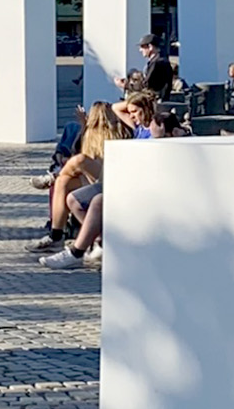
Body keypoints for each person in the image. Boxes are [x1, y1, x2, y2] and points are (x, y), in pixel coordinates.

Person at [26, 103, 129, 254]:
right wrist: (84, 127)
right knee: (63, 182)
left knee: (79, 160)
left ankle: (53, 176)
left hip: (110, 176)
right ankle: (56, 236)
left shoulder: (120, 130)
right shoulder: (89, 133)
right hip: (94, 177)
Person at [115, 34, 174, 99]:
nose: (140, 50)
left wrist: (125, 85)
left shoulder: (158, 63)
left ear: (150, 47)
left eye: (142, 47)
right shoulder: (157, 61)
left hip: (154, 102)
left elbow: (147, 86)